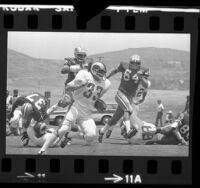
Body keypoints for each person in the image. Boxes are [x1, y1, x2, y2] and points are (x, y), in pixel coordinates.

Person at [38, 61, 111, 154]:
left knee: (91, 136)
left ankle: (70, 135)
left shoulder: (106, 84)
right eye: (99, 72)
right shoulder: (85, 75)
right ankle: (42, 150)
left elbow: (96, 97)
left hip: (87, 113)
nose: (102, 74)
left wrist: (98, 103)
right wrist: (78, 84)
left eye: (103, 72)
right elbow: (68, 87)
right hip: (76, 107)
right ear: (93, 70)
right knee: (62, 129)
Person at [98, 54, 150, 143]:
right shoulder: (124, 65)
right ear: (130, 62)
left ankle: (102, 131)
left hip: (130, 96)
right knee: (128, 109)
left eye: (136, 63)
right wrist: (106, 77)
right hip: (121, 93)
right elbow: (115, 70)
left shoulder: (144, 70)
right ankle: (128, 129)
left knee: (115, 117)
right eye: (132, 63)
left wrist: (141, 77)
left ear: (139, 63)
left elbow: (146, 85)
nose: (134, 65)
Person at [106, 70, 151, 139]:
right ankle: (120, 131)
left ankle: (114, 130)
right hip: (135, 103)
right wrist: (142, 100)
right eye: (146, 76)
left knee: (120, 117)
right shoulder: (147, 83)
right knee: (122, 118)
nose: (146, 77)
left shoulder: (139, 81)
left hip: (130, 101)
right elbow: (145, 93)